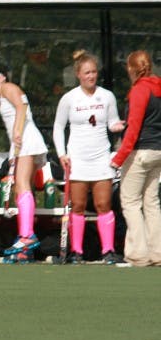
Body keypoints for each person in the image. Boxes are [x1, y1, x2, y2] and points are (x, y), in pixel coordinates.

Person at [52, 50, 125, 264]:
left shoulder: (107, 96)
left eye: (93, 72)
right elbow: (58, 127)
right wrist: (62, 154)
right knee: (78, 206)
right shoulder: (69, 98)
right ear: (78, 74)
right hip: (78, 159)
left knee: (104, 204)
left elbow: (112, 123)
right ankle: (76, 252)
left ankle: (108, 250)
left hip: (101, 158)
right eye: (86, 73)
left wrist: (119, 126)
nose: (91, 76)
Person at [0, 69, 49, 263]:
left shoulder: (8, 87)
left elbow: (22, 106)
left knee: (21, 185)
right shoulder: (3, 93)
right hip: (21, 142)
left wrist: (18, 133)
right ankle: (24, 244)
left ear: (0, 78)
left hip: (26, 139)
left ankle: (27, 236)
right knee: (22, 190)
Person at [111, 50, 161, 266]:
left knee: (130, 202)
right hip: (158, 151)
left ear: (132, 69)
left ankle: (138, 254)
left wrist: (118, 159)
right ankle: (158, 252)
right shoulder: (158, 88)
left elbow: (134, 130)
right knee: (152, 203)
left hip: (140, 152)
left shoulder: (140, 90)